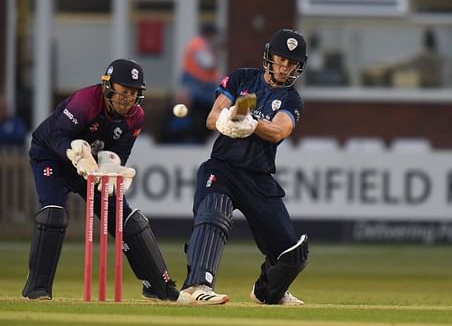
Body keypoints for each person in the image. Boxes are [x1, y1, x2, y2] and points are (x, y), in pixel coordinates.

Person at [22, 59, 179, 301]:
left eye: (134, 93)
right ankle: (37, 288)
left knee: (128, 218)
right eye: (123, 91)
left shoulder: (135, 116)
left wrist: (112, 167)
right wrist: (74, 154)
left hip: (92, 167)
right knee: (53, 214)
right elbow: (57, 136)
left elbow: (121, 152)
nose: (128, 99)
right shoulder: (85, 102)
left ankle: (160, 287)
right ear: (108, 86)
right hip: (52, 156)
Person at [176, 29, 309, 305]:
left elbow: (278, 131)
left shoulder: (291, 98)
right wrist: (226, 122)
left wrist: (252, 124)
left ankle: (267, 291)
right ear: (269, 56)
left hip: (259, 177)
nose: (284, 67)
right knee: (214, 214)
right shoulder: (242, 79)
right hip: (223, 168)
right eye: (280, 59)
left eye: (291, 63)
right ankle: (196, 287)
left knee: (292, 254)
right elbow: (213, 118)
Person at [165, 24, 222, 143]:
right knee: (199, 120)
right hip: (198, 92)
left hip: (203, 92)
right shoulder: (198, 45)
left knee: (203, 119)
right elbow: (208, 63)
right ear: (210, 35)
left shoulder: (201, 45)